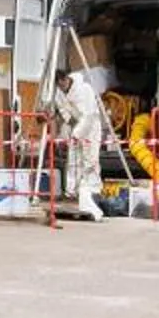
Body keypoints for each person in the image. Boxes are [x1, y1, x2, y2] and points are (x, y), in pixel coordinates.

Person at [59, 65, 107, 219]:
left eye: (63, 83)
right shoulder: (60, 93)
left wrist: (78, 133)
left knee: (90, 161)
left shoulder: (84, 89)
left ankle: (92, 192)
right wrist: (70, 124)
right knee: (73, 161)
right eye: (59, 84)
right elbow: (62, 109)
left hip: (90, 129)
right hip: (76, 128)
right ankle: (72, 191)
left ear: (67, 78)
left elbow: (89, 116)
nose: (62, 87)